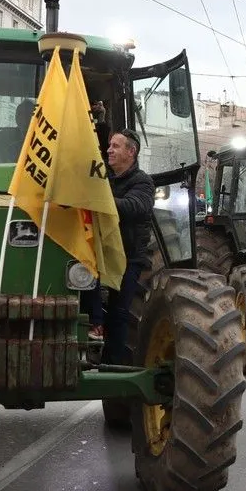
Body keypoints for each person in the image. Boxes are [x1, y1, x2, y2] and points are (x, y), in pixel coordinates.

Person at [100, 129, 155, 366]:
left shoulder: (142, 181)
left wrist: (98, 200)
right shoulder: (104, 179)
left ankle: (118, 364)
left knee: (120, 312)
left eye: (115, 146)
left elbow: (135, 207)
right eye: (109, 145)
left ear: (131, 152)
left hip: (128, 257)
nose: (109, 150)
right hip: (103, 254)